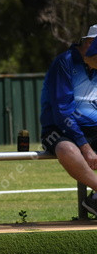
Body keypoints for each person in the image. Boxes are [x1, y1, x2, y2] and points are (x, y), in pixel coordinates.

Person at [40, 24, 97, 216]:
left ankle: (94, 201)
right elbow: (62, 112)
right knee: (67, 150)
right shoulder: (64, 63)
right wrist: (85, 147)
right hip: (60, 129)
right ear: (89, 43)